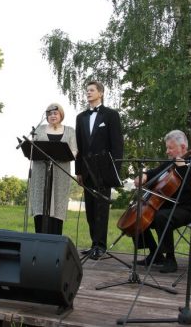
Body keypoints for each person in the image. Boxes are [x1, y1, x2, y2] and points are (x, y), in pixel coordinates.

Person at [134, 129, 191, 273]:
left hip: (187, 208)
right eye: (167, 148)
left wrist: (183, 169)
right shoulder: (169, 163)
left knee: (161, 217)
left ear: (183, 147)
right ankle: (155, 253)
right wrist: (144, 176)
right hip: (167, 206)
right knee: (138, 214)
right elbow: (154, 172)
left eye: (170, 148)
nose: (167, 151)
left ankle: (170, 259)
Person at [75, 81, 123, 260]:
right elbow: (79, 146)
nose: (88, 93)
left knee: (101, 209)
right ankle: (93, 243)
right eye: (87, 90)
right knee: (90, 209)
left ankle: (100, 246)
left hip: (104, 169)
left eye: (92, 90)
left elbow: (117, 145)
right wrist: (78, 170)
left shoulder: (111, 115)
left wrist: (115, 171)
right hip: (86, 169)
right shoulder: (80, 117)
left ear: (101, 93)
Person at [29, 103, 77, 235]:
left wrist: (64, 155)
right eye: (49, 114)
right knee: (40, 203)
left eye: (55, 113)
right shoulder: (39, 129)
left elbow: (74, 150)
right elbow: (32, 148)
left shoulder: (70, 131)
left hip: (61, 172)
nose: (52, 116)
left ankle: (55, 240)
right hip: (40, 172)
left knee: (57, 205)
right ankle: (39, 238)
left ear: (61, 114)